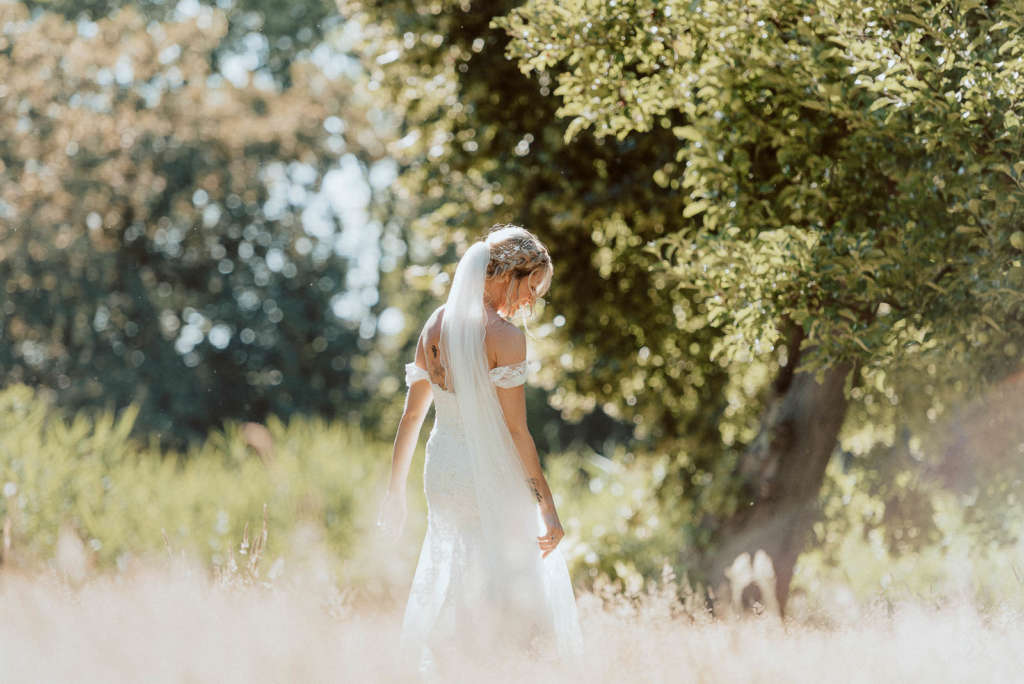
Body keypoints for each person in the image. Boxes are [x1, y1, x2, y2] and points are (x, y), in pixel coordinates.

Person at [377, 224, 584, 677]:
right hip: (488, 472)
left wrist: (396, 492)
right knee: (512, 581)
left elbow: (411, 418)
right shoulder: (505, 337)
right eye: (532, 287)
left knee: (460, 570)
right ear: (507, 274)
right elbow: (516, 432)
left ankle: (455, 662)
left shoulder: (435, 323)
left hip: (443, 472)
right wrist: (548, 508)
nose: (532, 301)